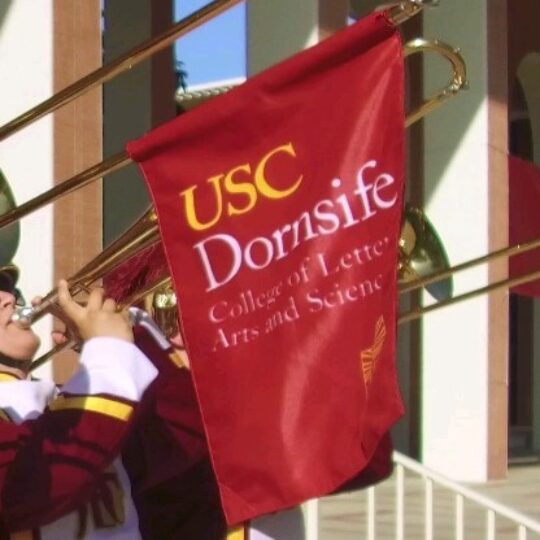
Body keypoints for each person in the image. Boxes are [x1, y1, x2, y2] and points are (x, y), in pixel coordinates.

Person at [0, 268, 158, 539]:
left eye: (9, 290)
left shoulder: (62, 398)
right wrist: (110, 353)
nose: (9, 298)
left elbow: (176, 455)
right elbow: (31, 483)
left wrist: (124, 342)